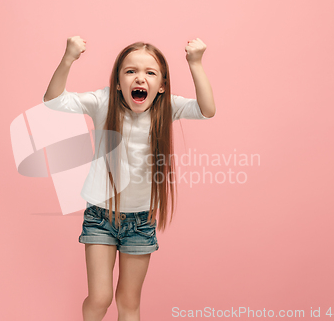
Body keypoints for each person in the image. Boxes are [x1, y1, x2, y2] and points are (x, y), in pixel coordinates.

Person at [43, 36, 216, 321]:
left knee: (128, 302)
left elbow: (206, 110)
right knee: (100, 299)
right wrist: (68, 58)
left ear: (161, 86)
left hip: (141, 220)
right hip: (101, 216)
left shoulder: (166, 106)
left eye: (150, 72)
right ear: (117, 82)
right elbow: (53, 101)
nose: (140, 78)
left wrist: (195, 63)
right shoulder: (103, 102)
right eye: (130, 71)